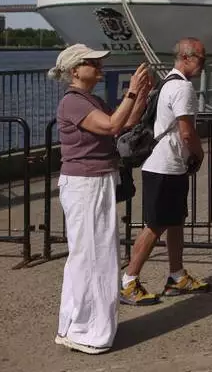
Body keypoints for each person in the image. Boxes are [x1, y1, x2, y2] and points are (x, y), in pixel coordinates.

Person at [51, 44, 152, 355]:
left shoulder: (89, 100)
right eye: (92, 63)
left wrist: (141, 95)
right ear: (74, 70)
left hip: (95, 181)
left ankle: (81, 325)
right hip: (85, 184)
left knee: (95, 254)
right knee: (92, 256)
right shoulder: (73, 102)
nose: (98, 67)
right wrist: (131, 92)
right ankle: (84, 330)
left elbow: (124, 122)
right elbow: (111, 125)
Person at [121, 37, 210, 305]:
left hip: (163, 163)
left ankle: (177, 275)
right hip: (166, 165)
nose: (204, 64)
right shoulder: (182, 88)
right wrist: (199, 154)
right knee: (155, 225)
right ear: (186, 57)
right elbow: (186, 131)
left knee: (175, 220)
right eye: (201, 59)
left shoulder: (166, 82)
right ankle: (128, 282)